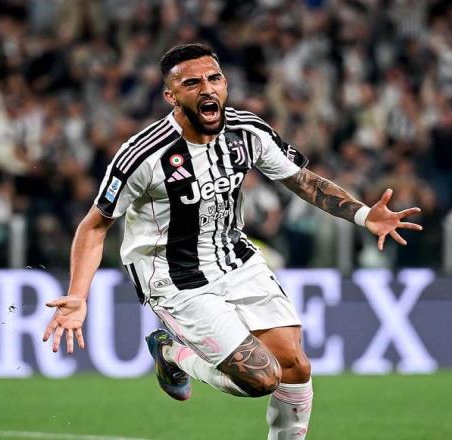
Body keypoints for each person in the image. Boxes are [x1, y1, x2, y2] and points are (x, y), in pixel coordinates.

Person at [42, 43, 423, 439]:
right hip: (174, 276)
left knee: (295, 367)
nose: (207, 88)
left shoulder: (247, 131)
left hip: (235, 258)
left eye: (215, 78)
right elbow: (94, 226)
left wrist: (363, 214)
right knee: (262, 378)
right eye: (192, 83)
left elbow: (302, 181)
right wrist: (78, 296)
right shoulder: (143, 155)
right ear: (171, 96)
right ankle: (172, 352)